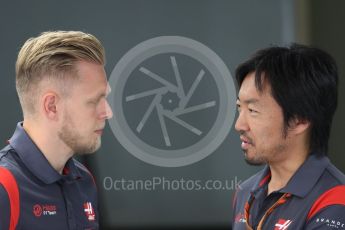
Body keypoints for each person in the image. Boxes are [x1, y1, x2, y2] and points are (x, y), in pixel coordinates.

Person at [0, 31, 113, 230]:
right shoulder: (4, 186)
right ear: (52, 106)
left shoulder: (84, 181)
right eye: (94, 100)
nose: (107, 112)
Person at [232, 44, 345, 230]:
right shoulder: (245, 192)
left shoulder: (335, 200)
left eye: (252, 110)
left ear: (300, 120)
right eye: (239, 108)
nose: (239, 125)